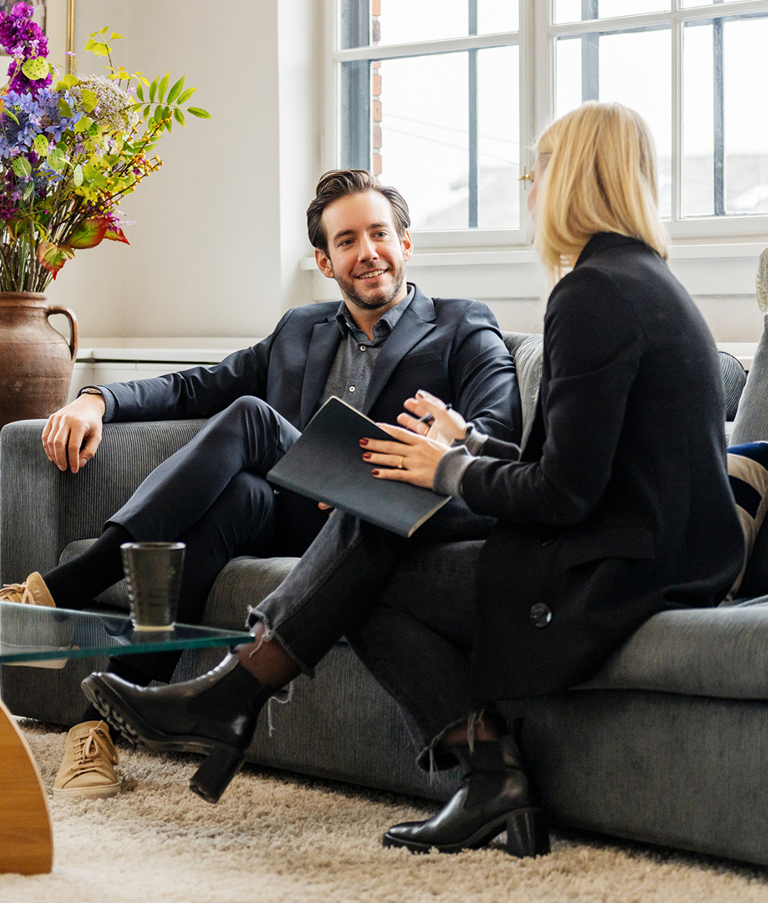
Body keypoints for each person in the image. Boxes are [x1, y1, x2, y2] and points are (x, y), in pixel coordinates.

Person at [81, 102, 744, 857]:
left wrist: (449, 466)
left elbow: (563, 493)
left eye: (539, 172)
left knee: (370, 546)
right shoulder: (637, 280)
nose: (531, 192)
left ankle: (245, 698)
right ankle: (451, 764)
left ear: (573, 179)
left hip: (616, 569)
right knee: (380, 516)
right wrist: (466, 443)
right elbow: (568, 464)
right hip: (649, 551)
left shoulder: (591, 293)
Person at [0, 168, 520, 800]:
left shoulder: (462, 325)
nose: (368, 252)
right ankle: (97, 733)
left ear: (406, 243)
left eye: (379, 234)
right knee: (237, 500)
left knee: (251, 418)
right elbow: (195, 387)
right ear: (326, 262)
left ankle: (62, 589)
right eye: (347, 240)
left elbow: (497, 435)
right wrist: (96, 399)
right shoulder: (301, 328)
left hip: (386, 522)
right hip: (305, 520)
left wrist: (440, 445)